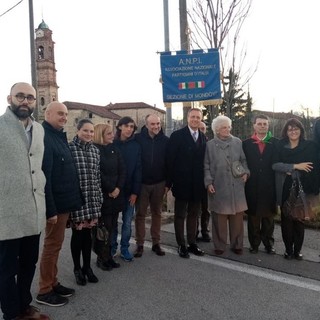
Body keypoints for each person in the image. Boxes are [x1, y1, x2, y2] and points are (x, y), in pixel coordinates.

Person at [0, 82, 50, 320]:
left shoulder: (39, 129)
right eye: (20, 96)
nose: (26, 101)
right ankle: (11, 313)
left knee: (29, 263)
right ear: (9, 98)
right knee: (6, 269)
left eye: (30, 98)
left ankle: (24, 306)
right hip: (7, 212)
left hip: (34, 210)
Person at [36, 101, 84, 307]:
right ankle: (45, 289)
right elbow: (45, 176)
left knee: (55, 246)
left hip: (64, 204)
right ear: (47, 114)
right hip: (55, 205)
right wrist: (51, 209)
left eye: (65, 114)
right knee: (51, 246)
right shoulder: (45, 137)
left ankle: (53, 282)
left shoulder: (57, 135)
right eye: (60, 114)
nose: (64, 117)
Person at [272, 118, 319, 260]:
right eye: (290, 129)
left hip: (303, 187)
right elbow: (275, 165)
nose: (293, 131)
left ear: (301, 130)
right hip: (285, 186)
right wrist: (295, 166)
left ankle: (297, 250)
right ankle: (288, 250)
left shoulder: (310, 146)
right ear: (286, 131)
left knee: (299, 219)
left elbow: (312, 165)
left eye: (296, 128)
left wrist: (290, 168)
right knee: (286, 218)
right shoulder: (280, 146)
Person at [204, 115, 249, 256]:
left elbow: (243, 160)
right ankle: (219, 245)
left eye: (229, 126)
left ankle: (237, 245)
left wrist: (246, 172)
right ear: (216, 129)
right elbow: (206, 165)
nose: (227, 129)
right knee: (219, 219)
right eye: (224, 127)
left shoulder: (237, 142)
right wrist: (208, 182)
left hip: (236, 186)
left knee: (237, 219)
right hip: (218, 185)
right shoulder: (210, 145)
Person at [166, 108, 206, 258]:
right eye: (193, 117)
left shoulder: (203, 137)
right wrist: (169, 183)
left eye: (198, 117)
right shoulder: (177, 136)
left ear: (201, 119)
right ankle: (181, 244)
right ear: (187, 118)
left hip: (197, 184)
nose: (195, 119)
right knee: (180, 215)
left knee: (194, 214)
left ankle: (192, 243)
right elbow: (170, 160)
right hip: (181, 182)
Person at [68, 119, 103, 285]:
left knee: (88, 236)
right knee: (77, 236)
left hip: (93, 199)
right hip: (77, 200)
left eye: (91, 131)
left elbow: (97, 176)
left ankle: (87, 267)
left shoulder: (95, 151)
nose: (89, 134)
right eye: (85, 131)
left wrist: (99, 197)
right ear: (78, 131)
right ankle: (77, 269)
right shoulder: (69, 149)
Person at [133, 114, 169, 258]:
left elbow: (169, 163)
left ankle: (156, 243)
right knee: (140, 215)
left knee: (157, 214)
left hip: (160, 183)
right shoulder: (137, 139)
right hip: (142, 184)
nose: (156, 127)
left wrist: (168, 183)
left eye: (158, 124)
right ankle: (140, 244)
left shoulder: (166, 141)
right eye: (152, 124)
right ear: (146, 125)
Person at [242, 115, 277, 254]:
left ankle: (269, 244)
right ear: (254, 126)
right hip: (252, 186)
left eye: (265, 124)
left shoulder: (275, 143)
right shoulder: (246, 144)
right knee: (253, 218)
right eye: (260, 124)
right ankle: (254, 244)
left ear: (268, 126)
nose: (262, 126)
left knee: (269, 219)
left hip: (270, 187)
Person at [93, 123, 126, 270]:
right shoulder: (95, 150)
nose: (113, 135)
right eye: (109, 134)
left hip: (116, 195)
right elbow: (98, 173)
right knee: (103, 229)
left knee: (112, 227)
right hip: (104, 196)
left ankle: (108, 257)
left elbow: (122, 170)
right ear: (101, 135)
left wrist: (118, 188)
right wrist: (111, 188)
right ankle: (101, 258)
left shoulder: (114, 149)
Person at [112, 117, 142, 262]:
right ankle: (112, 247)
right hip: (114, 191)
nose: (129, 129)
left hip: (130, 191)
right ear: (119, 127)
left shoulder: (136, 146)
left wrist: (135, 192)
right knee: (112, 223)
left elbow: (138, 170)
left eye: (132, 127)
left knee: (127, 223)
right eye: (126, 126)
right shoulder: (112, 144)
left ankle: (124, 248)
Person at [196, 121, 211, 242]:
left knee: (206, 209)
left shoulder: (209, 144)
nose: (201, 130)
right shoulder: (192, 141)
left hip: (207, 179)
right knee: (195, 208)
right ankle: (194, 231)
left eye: (203, 128)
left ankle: (205, 230)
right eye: (199, 128)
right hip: (195, 180)